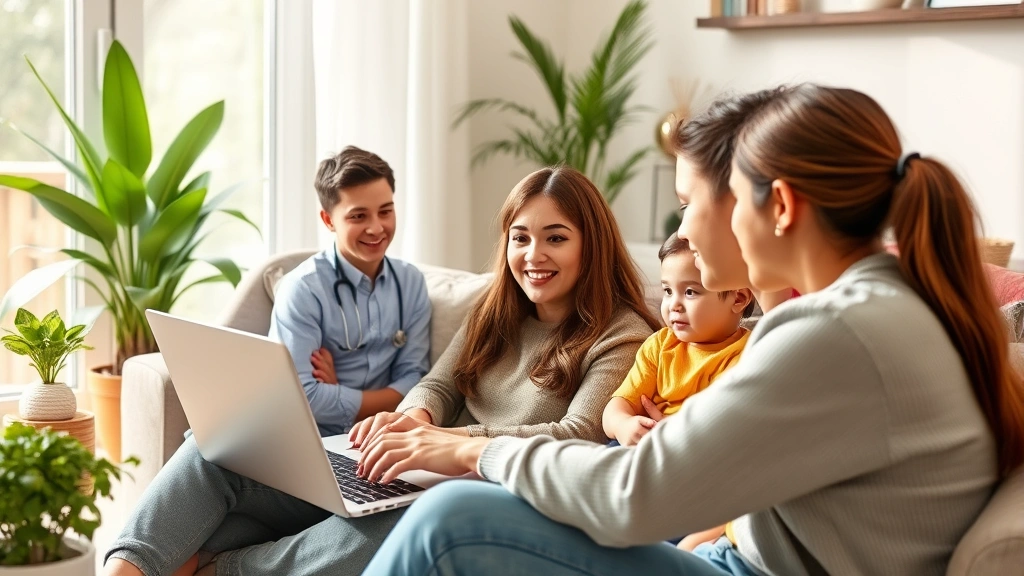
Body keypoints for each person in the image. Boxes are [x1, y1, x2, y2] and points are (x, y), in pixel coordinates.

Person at [359, 84, 1024, 576]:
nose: (688, 233)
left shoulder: (842, 332)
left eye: (693, 207)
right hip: (738, 555)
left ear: (781, 206)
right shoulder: (881, 309)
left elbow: (636, 495)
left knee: (450, 521)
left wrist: (472, 453)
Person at [104, 165, 658, 576]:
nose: (533, 255)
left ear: (593, 243)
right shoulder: (499, 306)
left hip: (480, 486)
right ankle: (126, 568)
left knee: (392, 524)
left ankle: (216, 569)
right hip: (414, 462)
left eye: (556, 238)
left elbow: (577, 436)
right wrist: (411, 416)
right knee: (217, 445)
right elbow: (439, 384)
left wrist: (446, 441)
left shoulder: (623, 333)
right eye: (521, 237)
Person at [270, 146, 431, 436]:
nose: (376, 228)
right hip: (309, 438)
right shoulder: (302, 290)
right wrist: (385, 398)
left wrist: (339, 392)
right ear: (329, 220)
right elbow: (302, 398)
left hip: (380, 439)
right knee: (199, 449)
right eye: (358, 216)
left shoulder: (411, 283)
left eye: (385, 211)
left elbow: (416, 380)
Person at [602, 234, 752, 448]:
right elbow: (617, 406)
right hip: (640, 444)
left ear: (738, 298)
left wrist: (672, 431)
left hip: (695, 453)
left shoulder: (745, 355)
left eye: (690, 292)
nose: (674, 305)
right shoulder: (659, 345)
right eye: (668, 291)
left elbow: (722, 427)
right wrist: (623, 426)